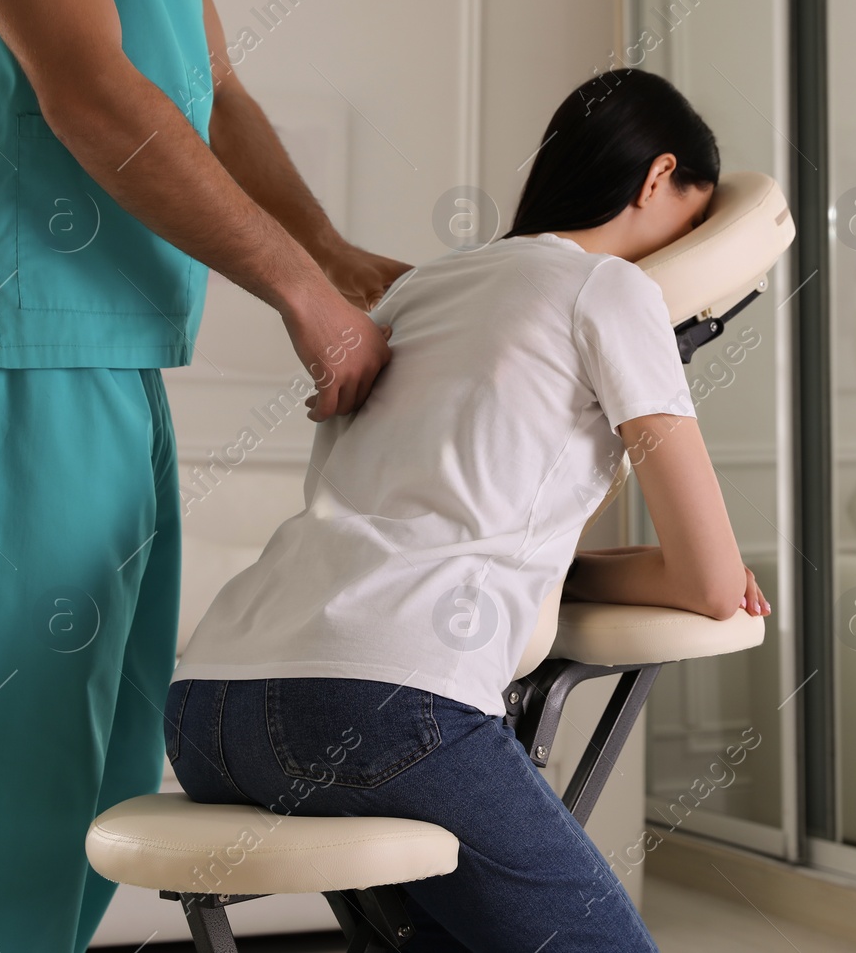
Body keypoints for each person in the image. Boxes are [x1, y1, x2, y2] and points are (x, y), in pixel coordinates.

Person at [0, 0, 403, 949]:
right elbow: (91, 90)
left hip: (114, 341)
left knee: (91, 777)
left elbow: (212, 96)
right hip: (7, 336)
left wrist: (341, 266)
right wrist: (301, 294)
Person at [168, 68, 773, 951]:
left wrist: (590, 568)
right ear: (658, 179)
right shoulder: (613, 291)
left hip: (208, 712)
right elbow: (714, 586)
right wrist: (700, 570)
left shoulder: (419, 289)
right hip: (377, 704)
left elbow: (450, 523)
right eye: (695, 209)